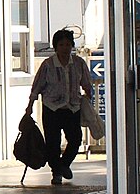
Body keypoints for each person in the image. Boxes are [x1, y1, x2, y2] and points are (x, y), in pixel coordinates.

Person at [28, 28, 93, 184]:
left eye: (68, 44)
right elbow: (37, 86)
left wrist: (88, 98)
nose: (65, 48)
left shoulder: (78, 63)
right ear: (56, 46)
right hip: (52, 108)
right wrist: (30, 104)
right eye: (61, 44)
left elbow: (86, 84)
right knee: (52, 142)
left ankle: (64, 165)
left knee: (76, 139)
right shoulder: (48, 64)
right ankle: (56, 172)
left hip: (73, 107)